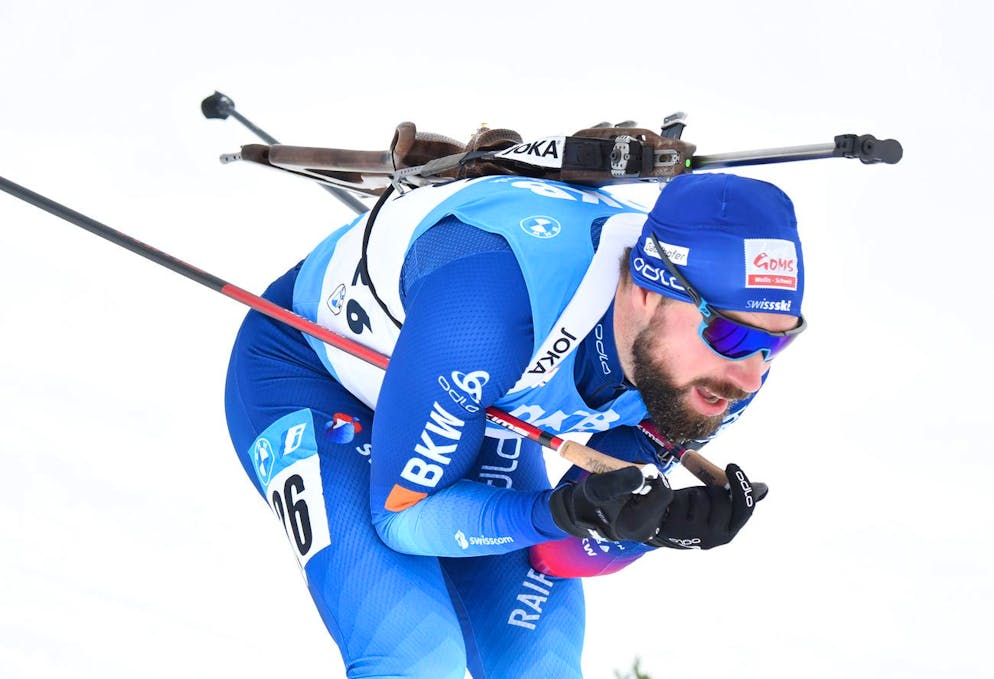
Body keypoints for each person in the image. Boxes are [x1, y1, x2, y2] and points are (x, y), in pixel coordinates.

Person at [224, 168, 806, 678]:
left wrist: (646, 529)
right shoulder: (493, 310)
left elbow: (557, 554)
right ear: (649, 293)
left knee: (541, 669)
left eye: (774, 345)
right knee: (417, 659)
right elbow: (403, 518)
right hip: (311, 375)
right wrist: (555, 513)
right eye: (728, 334)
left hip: (482, 407)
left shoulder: (714, 384)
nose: (750, 376)